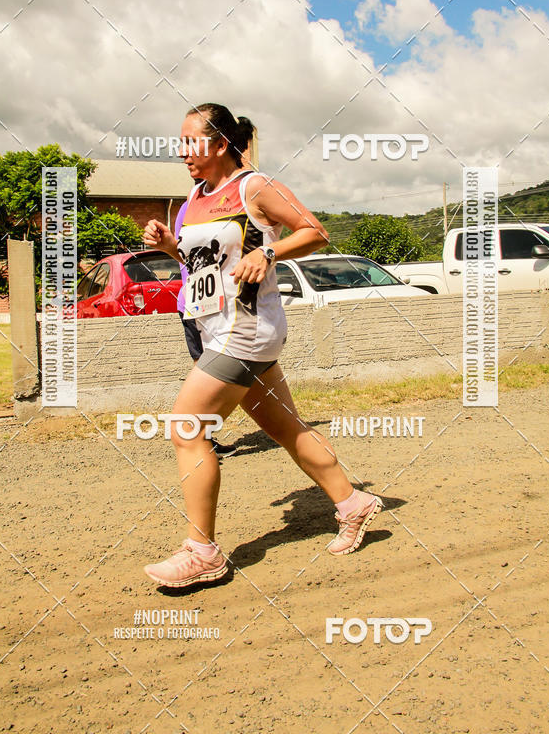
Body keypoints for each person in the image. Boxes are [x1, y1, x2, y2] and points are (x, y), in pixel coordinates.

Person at [142, 103, 383, 588]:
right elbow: (203, 264)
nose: (183, 151)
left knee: (188, 429)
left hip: (248, 329)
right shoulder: (196, 194)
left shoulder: (254, 187)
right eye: (180, 141)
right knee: (287, 429)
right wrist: (171, 246)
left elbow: (314, 231)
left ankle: (203, 552)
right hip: (218, 327)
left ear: (222, 143)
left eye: (192, 141)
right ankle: (353, 503)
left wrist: (268, 250)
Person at [174, 195, 238, 458]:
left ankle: (200, 437)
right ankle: (198, 438)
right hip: (200, 306)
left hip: (208, 305)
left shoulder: (192, 207)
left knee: (210, 372)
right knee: (207, 373)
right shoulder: (196, 207)